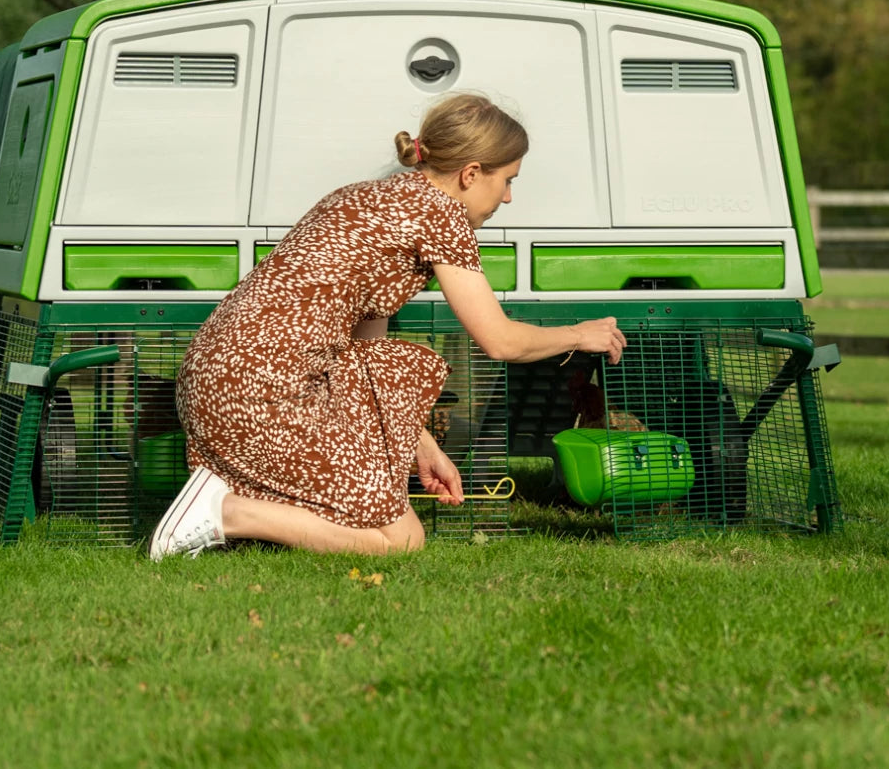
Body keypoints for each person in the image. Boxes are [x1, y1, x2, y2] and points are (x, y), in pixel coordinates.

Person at [149, 93, 626, 560]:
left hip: (213, 378)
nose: (507, 196)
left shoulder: (363, 197)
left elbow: (366, 355)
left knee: (382, 495)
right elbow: (498, 340)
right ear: (471, 173)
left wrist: (422, 445)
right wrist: (580, 335)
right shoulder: (442, 216)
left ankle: (220, 498)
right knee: (400, 541)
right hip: (264, 392)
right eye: (506, 180)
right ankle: (225, 512)